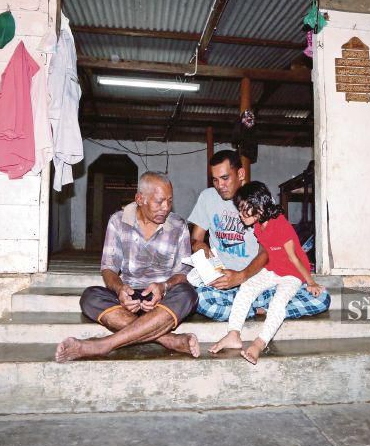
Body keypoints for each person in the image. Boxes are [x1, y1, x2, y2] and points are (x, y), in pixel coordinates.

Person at [55, 172, 200, 362]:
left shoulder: (178, 226)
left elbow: (185, 272)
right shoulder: (118, 221)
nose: (165, 208)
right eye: (159, 202)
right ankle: (170, 340)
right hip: (129, 297)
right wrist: (120, 289)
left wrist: (164, 286)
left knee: (188, 294)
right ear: (140, 199)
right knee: (90, 297)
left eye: (169, 201)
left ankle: (102, 345)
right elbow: (108, 267)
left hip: (163, 299)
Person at [187, 150, 330, 322]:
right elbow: (196, 239)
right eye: (215, 180)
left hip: (260, 280)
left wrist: (242, 275)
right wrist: (199, 245)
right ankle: (258, 309)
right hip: (224, 282)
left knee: (321, 298)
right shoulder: (207, 198)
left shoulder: (259, 200)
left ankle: (246, 309)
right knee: (199, 299)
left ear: (240, 174)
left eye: (225, 178)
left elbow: (266, 251)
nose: (220, 185)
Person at [210, 181, 325, 364]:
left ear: (259, 207)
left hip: (291, 273)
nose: (240, 215)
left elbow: (295, 258)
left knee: (278, 303)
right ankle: (233, 334)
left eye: (243, 209)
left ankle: (259, 343)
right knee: (246, 287)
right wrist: (254, 271)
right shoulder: (257, 226)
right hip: (272, 268)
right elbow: (265, 250)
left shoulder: (281, 225)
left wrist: (310, 282)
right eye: (238, 210)